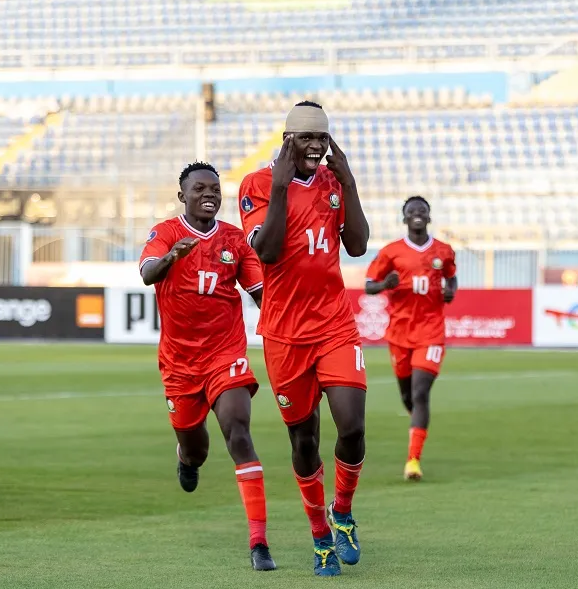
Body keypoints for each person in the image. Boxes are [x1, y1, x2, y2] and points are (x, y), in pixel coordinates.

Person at [238, 101, 370, 576]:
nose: (316, 147)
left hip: (334, 324)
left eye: (322, 138)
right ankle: (320, 538)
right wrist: (279, 186)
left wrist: (350, 182)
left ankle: (344, 512)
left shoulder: (334, 182)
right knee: (305, 439)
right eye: (307, 138)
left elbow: (356, 244)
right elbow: (268, 251)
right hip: (285, 334)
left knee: (352, 425)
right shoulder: (256, 184)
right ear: (288, 138)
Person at [140, 162, 275, 572]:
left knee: (238, 430)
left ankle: (259, 543)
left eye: (214, 188)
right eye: (199, 188)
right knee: (196, 446)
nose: (209, 194)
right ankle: (186, 456)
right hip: (179, 363)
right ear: (183, 196)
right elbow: (147, 272)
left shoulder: (235, 239)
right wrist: (170, 259)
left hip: (225, 353)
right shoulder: (166, 233)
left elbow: (261, 293)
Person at [365, 196, 457, 481]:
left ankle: (413, 461)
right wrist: (384, 284)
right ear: (404, 218)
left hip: (431, 333)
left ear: (429, 217)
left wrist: (451, 290)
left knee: (420, 393)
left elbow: (451, 277)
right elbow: (369, 285)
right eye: (411, 211)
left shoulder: (444, 251)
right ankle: (417, 421)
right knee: (407, 395)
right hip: (400, 333)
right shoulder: (392, 252)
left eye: (422, 211)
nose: (417, 214)